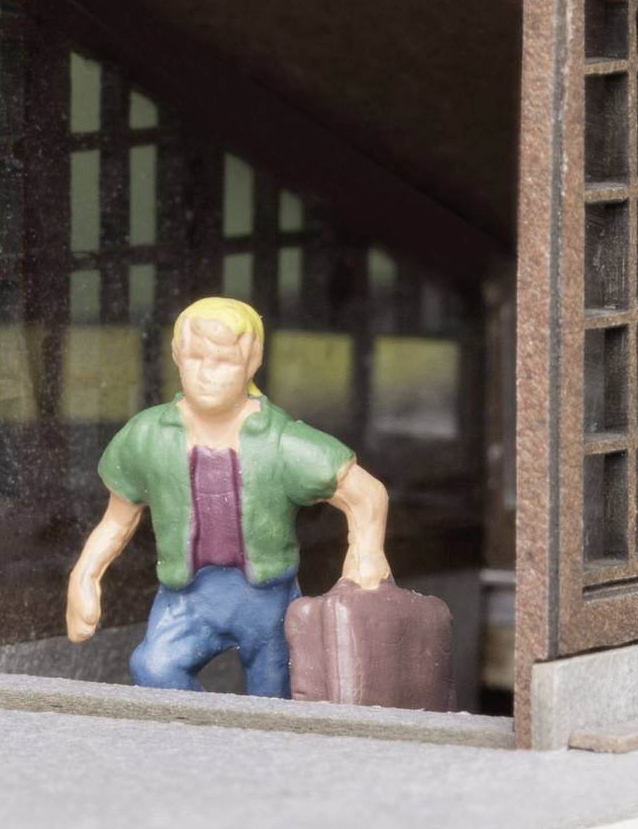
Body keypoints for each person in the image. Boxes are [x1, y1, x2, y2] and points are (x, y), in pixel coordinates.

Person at [64, 296, 393, 695]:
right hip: (187, 596)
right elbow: (118, 520)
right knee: (154, 666)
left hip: (265, 598)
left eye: (224, 362)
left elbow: (365, 493)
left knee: (273, 696)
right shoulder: (149, 436)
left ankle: (262, 753)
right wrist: (85, 575)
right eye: (196, 358)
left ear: (251, 364)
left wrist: (367, 555)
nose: (207, 373)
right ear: (176, 357)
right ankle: (207, 747)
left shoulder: (279, 441)